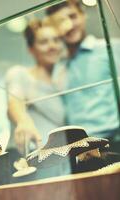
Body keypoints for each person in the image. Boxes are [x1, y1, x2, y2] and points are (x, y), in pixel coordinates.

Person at [46, 1, 120, 152]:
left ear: (83, 15)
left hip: (114, 144)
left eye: (73, 16)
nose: (69, 25)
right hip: (77, 150)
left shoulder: (111, 48)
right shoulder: (58, 67)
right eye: (60, 22)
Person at [6, 19, 66, 155]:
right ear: (31, 49)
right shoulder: (20, 74)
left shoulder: (62, 84)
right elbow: (14, 102)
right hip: (26, 155)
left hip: (56, 157)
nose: (52, 46)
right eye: (43, 42)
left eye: (56, 40)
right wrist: (23, 121)